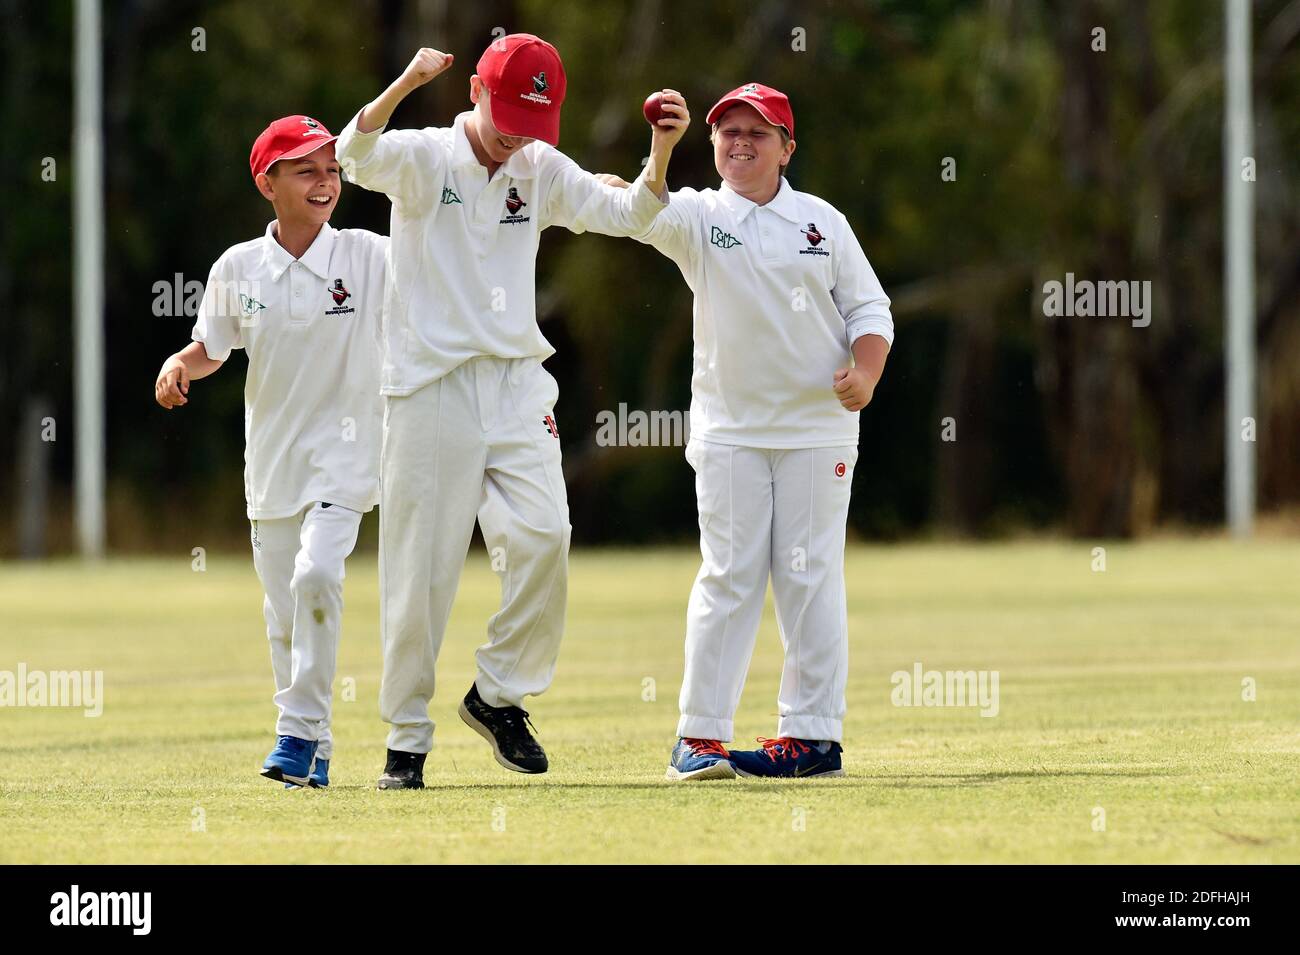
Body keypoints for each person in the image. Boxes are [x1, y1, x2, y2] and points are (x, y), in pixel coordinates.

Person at [335, 35, 689, 789]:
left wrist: (661, 149)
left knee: (545, 536)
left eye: (532, 121)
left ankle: (498, 693)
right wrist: (404, 79)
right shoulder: (426, 156)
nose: (514, 135)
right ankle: (406, 738)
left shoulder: (539, 166)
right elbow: (353, 157)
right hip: (430, 384)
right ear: (473, 90)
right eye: (505, 116)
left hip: (517, 383)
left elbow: (629, 212)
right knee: (420, 571)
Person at [602, 83, 893, 780]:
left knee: (809, 578)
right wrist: (658, 150)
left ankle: (813, 739)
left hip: (818, 429)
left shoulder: (821, 221)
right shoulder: (700, 215)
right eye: (727, 131)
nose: (739, 141)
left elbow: (871, 307)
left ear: (787, 148)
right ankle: (699, 738)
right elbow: (641, 210)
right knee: (729, 576)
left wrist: (867, 373)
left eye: (756, 133)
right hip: (730, 430)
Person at [154, 116, 387, 788]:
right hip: (273, 463)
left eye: (332, 169)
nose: (325, 182)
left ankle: (295, 732)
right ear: (268, 182)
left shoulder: (369, 257)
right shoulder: (238, 267)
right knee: (286, 614)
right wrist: (178, 364)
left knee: (318, 575)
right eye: (306, 170)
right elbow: (214, 348)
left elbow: (441, 275)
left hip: (345, 460)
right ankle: (314, 748)